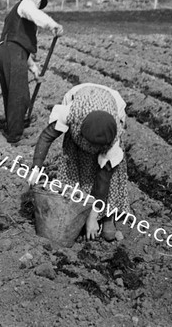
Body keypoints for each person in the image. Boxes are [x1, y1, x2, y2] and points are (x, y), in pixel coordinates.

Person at [30, 83, 129, 241]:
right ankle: (75, 209)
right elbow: (47, 136)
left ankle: (108, 218)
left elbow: (103, 180)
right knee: (77, 166)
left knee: (112, 175)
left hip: (111, 107)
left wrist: (93, 217)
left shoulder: (112, 139)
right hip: (82, 103)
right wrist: (36, 168)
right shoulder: (72, 113)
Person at [0, 0, 64, 145]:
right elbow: (34, 15)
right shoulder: (26, 5)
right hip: (12, 52)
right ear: (36, 0)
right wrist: (52, 25)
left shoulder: (18, 14)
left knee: (13, 93)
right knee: (19, 95)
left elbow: (19, 45)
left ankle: (15, 128)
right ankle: (15, 137)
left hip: (8, 51)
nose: (38, 7)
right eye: (40, 4)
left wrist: (34, 69)